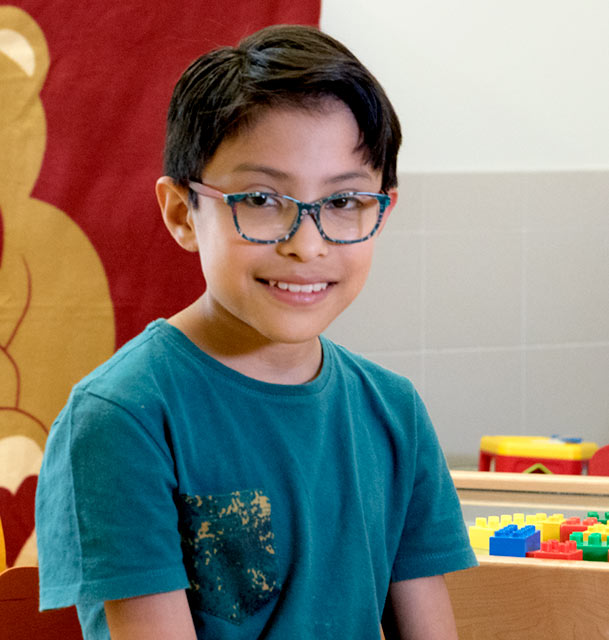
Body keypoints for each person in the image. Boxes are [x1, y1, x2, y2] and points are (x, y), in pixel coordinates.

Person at [35, 24, 476, 640]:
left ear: (383, 211)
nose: (307, 244)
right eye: (263, 198)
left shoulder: (392, 411)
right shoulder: (121, 418)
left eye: (346, 201)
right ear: (181, 214)